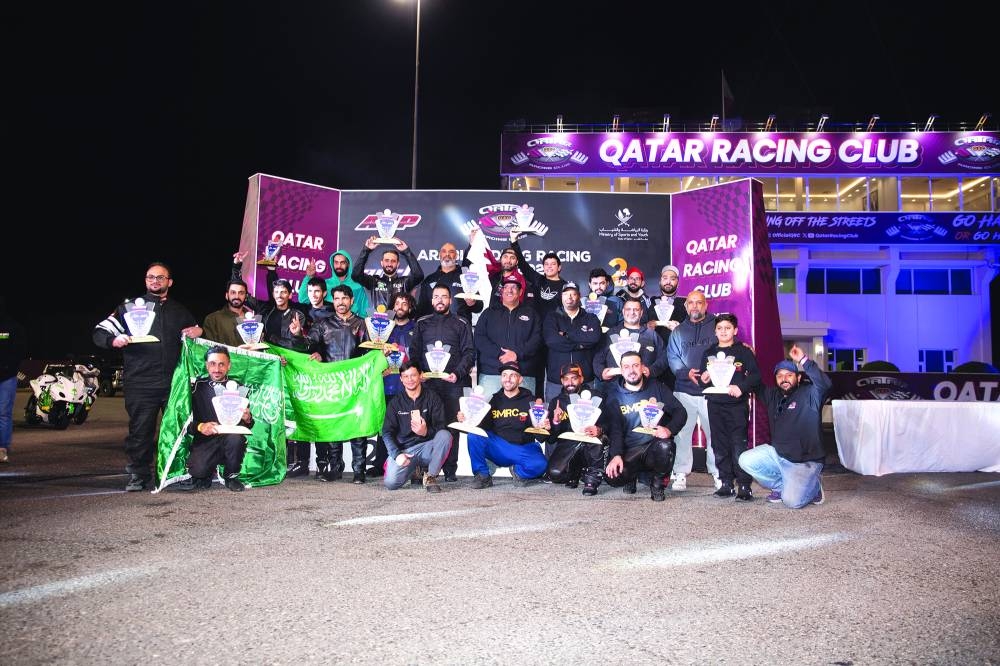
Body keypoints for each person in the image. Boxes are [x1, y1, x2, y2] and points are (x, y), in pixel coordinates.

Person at [93, 262, 203, 491]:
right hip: (140, 382)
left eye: (160, 277)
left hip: (173, 382)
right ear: (145, 280)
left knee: (177, 430)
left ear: (169, 282)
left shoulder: (179, 310)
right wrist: (113, 340)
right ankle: (139, 475)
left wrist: (199, 330)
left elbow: (197, 334)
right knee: (140, 432)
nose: (155, 281)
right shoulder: (128, 308)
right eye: (151, 277)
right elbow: (99, 332)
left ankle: (175, 473)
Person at [295, 284, 371, 483]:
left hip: (356, 383)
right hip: (331, 384)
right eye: (336, 298)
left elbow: (371, 352)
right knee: (333, 423)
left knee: (357, 425)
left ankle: (359, 471)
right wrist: (298, 335)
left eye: (344, 298)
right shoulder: (323, 324)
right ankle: (335, 468)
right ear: (333, 301)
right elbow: (309, 344)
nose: (340, 302)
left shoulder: (363, 324)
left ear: (351, 301)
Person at [739, 344, 831, 508]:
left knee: (792, 502)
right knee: (745, 459)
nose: (784, 379)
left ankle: (815, 487)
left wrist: (803, 359)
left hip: (805, 462)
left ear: (798, 378)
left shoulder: (810, 394)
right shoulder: (772, 396)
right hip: (779, 456)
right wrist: (749, 357)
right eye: (780, 375)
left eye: (789, 375)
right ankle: (780, 486)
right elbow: (755, 382)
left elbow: (825, 384)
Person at [692, 313, 762, 501]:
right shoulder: (708, 353)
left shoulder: (743, 352)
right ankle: (726, 483)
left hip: (737, 406)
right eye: (720, 328)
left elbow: (756, 376)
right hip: (715, 405)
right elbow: (703, 381)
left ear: (735, 331)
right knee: (719, 445)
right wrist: (704, 379)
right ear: (715, 331)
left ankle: (744, 485)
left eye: (728, 328)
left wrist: (741, 387)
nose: (723, 331)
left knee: (738, 445)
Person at [409, 284, 475, 481]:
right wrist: (419, 373)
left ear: (450, 300)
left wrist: (457, 373)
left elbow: (469, 353)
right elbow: (414, 352)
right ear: (431, 300)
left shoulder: (461, 323)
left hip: (453, 384)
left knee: (452, 426)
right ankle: (424, 467)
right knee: (426, 424)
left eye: (444, 296)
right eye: (436, 296)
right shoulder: (422, 323)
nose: (440, 300)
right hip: (428, 384)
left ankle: (450, 470)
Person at [603, 351, 687, 501]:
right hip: (629, 450)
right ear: (621, 370)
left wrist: (669, 430)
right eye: (626, 367)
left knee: (666, 446)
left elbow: (680, 412)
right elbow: (615, 430)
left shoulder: (657, 387)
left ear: (642, 367)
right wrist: (616, 455)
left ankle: (657, 484)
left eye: (635, 365)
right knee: (613, 478)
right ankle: (632, 477)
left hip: (652, 448)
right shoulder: (613, 395)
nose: (631, 370)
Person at [176, 346, 254, 492]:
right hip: (205, 440)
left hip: (230, 439)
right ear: (206, 365)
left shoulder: (239, 388)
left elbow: (248, 425)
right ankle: (206, 473)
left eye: (221, 364)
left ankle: (231, 476)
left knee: (236, 439)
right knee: (198, 472)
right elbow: (182, 421)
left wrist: (248, 418)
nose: (217, 369)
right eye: (213, 364)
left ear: (229, 365)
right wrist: (200, 427)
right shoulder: (194, 388)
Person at [460, 362, 548, 489]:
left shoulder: (531, 401)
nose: (508, 379)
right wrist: (466, 418)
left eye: (513, 375)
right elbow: (479, 428)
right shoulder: (494, 400)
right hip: (499, 448)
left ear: (520, 379)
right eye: (505, 375)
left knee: (541, 464)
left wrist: (544, 426)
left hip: (522, 449)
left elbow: (541, 438)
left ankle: (518, 472)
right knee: (474, 435)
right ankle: (483, 476)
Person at [665, 289, 720, 491]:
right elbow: (672, 357)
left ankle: (718, 473)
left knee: (715, 433)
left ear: (706, 305)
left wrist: (713, 372)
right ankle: (680, 473)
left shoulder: (717, 326)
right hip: (684, 391)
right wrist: (684, 372)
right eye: (691, 303)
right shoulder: (678, 331)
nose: (695, 306)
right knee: (682, 434)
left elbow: (725, 350)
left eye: (699, 302)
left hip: (712, 392)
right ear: (686, 306)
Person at [382, 362, 452, 493]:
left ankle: (430, 476)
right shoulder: (395, 403)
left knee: (445, 436)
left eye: (413, 375)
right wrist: (397, 455)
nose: (410, 380)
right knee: (391, 483)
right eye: (406, 376)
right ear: (401, 379)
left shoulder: (433, 397)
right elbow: (386, 432)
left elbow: (441, 426)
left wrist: (425, 432)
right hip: (406, 451)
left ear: (420, 376)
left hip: (427, 447)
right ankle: (414, 470)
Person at [369, 292, 417, 478]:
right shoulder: (383, 329)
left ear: (410, 308)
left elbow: (419, 356)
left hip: (409, 387)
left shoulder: (417, 328)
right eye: (397, 303)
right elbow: (374, 356)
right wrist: (381, 365)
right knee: (386, 426)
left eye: (404, 303)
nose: (400, 307)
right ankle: (379, 463)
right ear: (392, 307)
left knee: (410, 426)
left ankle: (413, 465)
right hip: (388, 384)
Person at [544, 363, 609, 495]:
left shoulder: (596, 396)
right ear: (561, 381)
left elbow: (610, 422)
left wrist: (599, 429)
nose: (570, 383)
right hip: (569, 445)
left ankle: (592, 478)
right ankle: (577, 472)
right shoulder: (556, 402)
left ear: (581, 379)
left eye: (574, 378)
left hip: (591, 442)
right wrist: (556, 422)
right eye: (566, 379)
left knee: (598, 439)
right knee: (555, 474)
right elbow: (551, 439)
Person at [474, 274, 543, 396]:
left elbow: (537, 340)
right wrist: (500, 354)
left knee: (523, 409)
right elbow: (479, 338)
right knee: (488, 408)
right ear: (502, 291)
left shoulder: (532, 314)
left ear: (520, 292)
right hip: (491, 374)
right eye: (506, 287)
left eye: (514, 287)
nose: (509, 290)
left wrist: (517, 354)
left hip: (522, 375)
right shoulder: (489, 313)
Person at [542, 282, 602, 401]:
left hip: (585, 379)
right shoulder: (551, 317)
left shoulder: (590, 318)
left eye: (573, 294)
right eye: (566, 294)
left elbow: (594, 338)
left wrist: (566, 334)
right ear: (561, 296)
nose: (569, 297)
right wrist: (580, 345)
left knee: (587, 412)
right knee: (555, 411)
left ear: (579, 296)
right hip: (557, 380)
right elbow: (552, 341)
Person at [593, 297, 668, 391]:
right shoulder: (610, 334)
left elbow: (664, 357)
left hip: (645, 389)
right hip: (614, 390)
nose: (632, 312)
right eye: (628, 309)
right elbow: (597, 358)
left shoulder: (651, 335)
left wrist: (651, 370)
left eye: (636, 309)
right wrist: (601, 372)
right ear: (623, 312)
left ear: (641, 313)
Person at [351, 237, 425, 315]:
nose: (389, 264)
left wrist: (406, 251)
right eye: (386, 261)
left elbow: (418, 276)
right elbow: (356, 275)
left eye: (393, 261)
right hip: (378, 321)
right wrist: (366, 250)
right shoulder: (374, 281)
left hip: (399, 320)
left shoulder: (404, 282)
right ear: (381, 263)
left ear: (398, 264)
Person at [416, 241, 482, 322]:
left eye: (451, 252)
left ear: (456, 256)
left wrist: (472, 303)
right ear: (439, 255)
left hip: (460, 327)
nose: (447, 254)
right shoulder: (429, 279)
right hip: (434, 327)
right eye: (444, 251)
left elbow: (479, 307)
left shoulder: (466, 278)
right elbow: (421, 310)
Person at [646, 265, 687, 388]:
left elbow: (693, 328)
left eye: (672, 278)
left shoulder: (685, 303)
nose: (668, 281)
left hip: (677, 355)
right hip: (655, 356)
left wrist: (680, 328)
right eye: (665, 278)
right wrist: (647, 326)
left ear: (678, 282)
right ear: (660, 281)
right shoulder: (650, 302)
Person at [299, 250, 369, 316]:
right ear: (332, 264)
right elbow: (303, 300)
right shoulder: (325, 284)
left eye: (342, 262)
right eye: (336, 262)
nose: (339, 266)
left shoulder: (357, 287)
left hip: (349, 323)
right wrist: (309, 277)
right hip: (325, 323)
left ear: (348, 264)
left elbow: (364, 313)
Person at [0, 297, 27, 463]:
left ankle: (2, 448)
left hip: (6, 377)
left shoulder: (12, 328)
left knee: (3, 413)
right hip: (7, 375)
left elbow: (19, 351)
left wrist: (8, 368)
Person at [202, 278, 252, 347]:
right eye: (233, 292)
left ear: (246, 297)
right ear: (227, 295)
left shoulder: (253, 320)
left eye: (241, 293)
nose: (237, 296)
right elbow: (207, 348)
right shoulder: (213, 319)